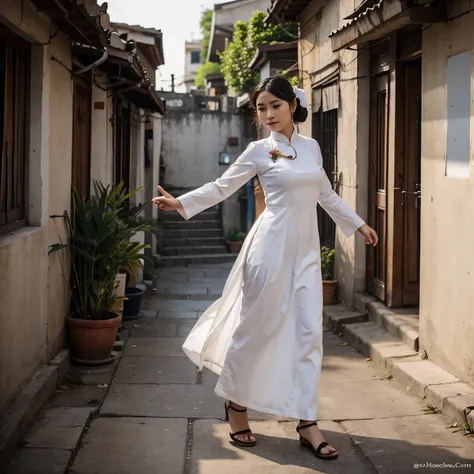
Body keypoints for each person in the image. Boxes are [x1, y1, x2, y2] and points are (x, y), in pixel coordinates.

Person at [153, 76, 378, 460]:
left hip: (305, 253)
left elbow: (325, 194)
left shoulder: (311, 147)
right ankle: (237, 406)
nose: (268, 114)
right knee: (254, 329)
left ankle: (307, 421)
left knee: (309, 335)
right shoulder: (260, 151)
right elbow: (223, 186)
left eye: (275, 105)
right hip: (268, 250)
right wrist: (183, 203)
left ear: (292, 105)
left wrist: (357, 223)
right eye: (261, 108)